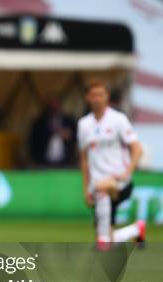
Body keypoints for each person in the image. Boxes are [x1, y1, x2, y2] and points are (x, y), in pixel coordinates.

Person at [78, 79, 146, 248]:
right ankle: (135, 230)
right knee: (108, 237)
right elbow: (84, 159)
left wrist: (128, 172)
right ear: (87, 97)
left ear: (107, 96)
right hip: (97, 183)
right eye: (93, 95)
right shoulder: (84, 124)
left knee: (102, 189)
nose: (97, 98)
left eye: (100, 94)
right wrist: (86, 188)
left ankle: (103, 240)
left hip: (119, 180)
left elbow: (137, 149)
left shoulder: (118, 119)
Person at [28, 96, 77, 167]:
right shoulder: (40, 122)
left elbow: (75, 137)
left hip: (65, 162)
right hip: (43, 161)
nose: (54, 107)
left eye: (56, 104)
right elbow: (34, 140)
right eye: (51, 104)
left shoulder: (68, 121)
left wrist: (68, 135)